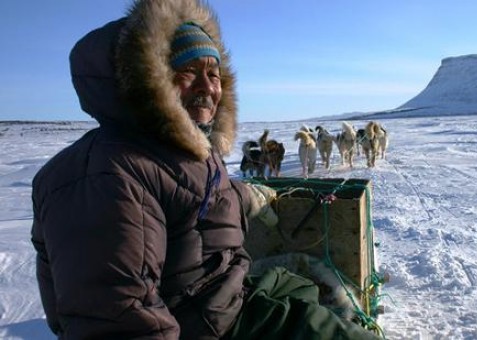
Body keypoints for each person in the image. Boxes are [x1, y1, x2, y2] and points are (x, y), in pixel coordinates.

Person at [30, 0, 380, 339]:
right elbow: (117, 321)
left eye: (214, 75)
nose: (208, 87)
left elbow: (194, 197)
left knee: (301, 285)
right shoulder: (106, 177)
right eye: (188, 71)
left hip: (226, 295)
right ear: (151, 80)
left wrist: (248, 195)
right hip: (210, 326)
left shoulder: (181, 149)